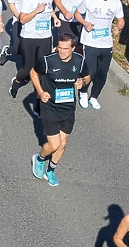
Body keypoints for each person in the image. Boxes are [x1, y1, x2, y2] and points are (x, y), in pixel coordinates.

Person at [30, 33, 88, 187]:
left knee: (63, 144)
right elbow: (33, 72)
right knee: (54, 145)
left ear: (73, 48)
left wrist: (83, 81)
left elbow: (88, 77)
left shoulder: (79, 61)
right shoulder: (48, 61)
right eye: (59, 48)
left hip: (68, 108)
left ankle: (51, 171)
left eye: (65, 49)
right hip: (50, 108)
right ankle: (40, 158)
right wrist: (41, 91)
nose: (61, 51)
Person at [74, 0, 124, 109]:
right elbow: (77, 13)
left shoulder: (116, 2)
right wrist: (85, 23)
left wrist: (118, 28)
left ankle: (94, 96)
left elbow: (121, 19)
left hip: (106, 43)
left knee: (102, 73)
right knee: (90, 70)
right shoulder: (89, 0)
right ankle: (83, 92)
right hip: (90, 41)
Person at [8, 0, 59, 99]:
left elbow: (50, 8)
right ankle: (16, 83)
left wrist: (55, 17)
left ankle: (39, 98)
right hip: (29, 37)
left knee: (42, 69)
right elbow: (23, 19)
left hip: (45, 37)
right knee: (27, 69)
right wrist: (36, 11)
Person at [0, 0, 38, 66]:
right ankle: (7, 51)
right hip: (19, 21)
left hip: (33, 21)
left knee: (28, 47)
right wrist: (17, 15)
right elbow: (11, 2)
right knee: (17, 48)